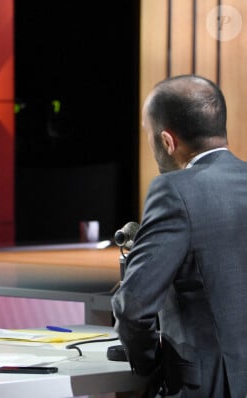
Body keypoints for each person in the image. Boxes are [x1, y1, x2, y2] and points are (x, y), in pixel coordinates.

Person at [111, 74, 247, 397]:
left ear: (167, 142)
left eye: (148, 135)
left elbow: (133, 305)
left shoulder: (173, 191)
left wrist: (148, 363)